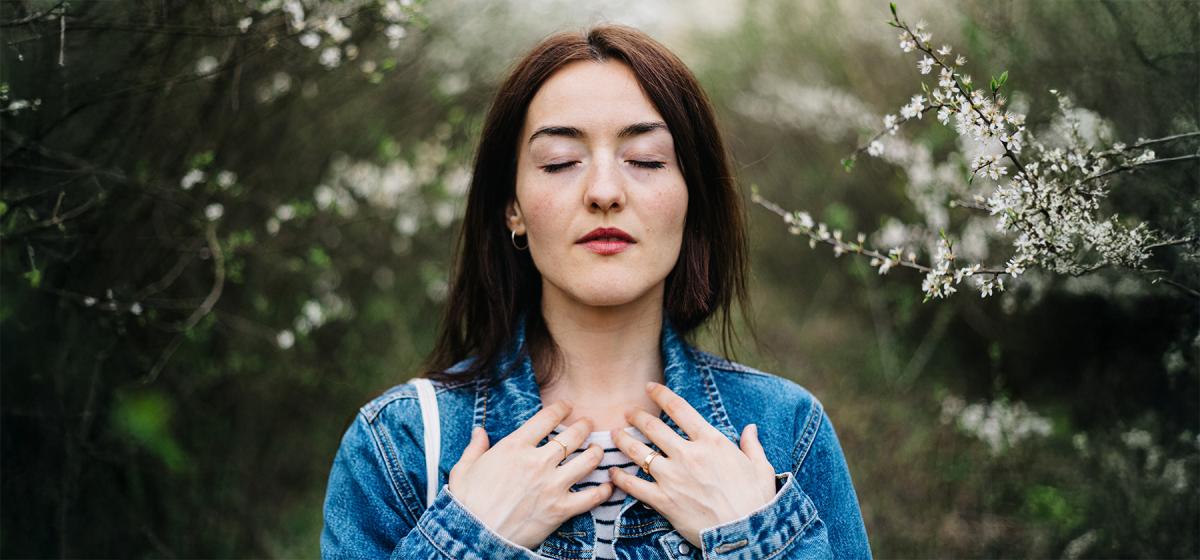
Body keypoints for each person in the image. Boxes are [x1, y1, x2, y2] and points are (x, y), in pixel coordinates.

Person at [321, 24, 872, 559]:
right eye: (560, 162)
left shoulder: (785, 432)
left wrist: (751, 538)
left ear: (692, 201)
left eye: (646, 161)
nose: (605, 191)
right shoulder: (403, 444)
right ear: (512, 206)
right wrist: (470, 538)